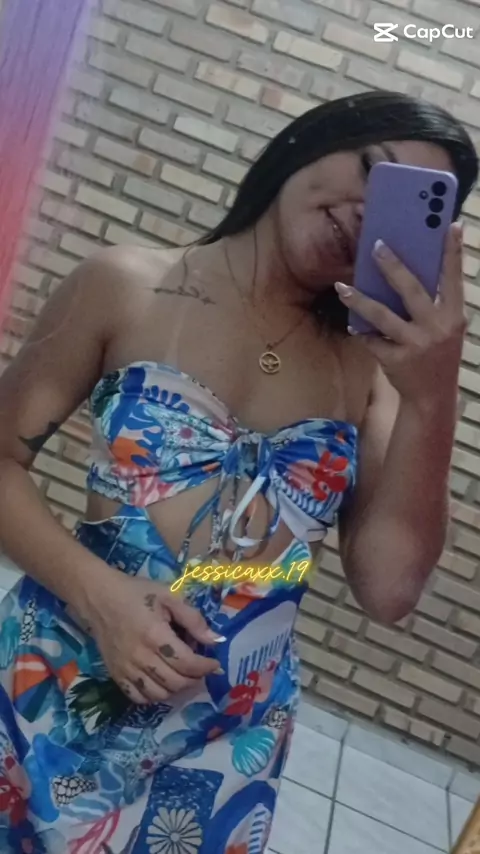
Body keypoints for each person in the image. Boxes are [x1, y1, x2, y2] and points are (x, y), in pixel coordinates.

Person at [0, 90, 476, 853]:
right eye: (370, 168)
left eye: (398, 207)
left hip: (220, 742)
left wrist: (435, 392)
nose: (366, 211)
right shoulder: (126, 286)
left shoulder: (373, 373)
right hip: (47, 684)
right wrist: (100, 595)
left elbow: (389, 591)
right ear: (308, 141)